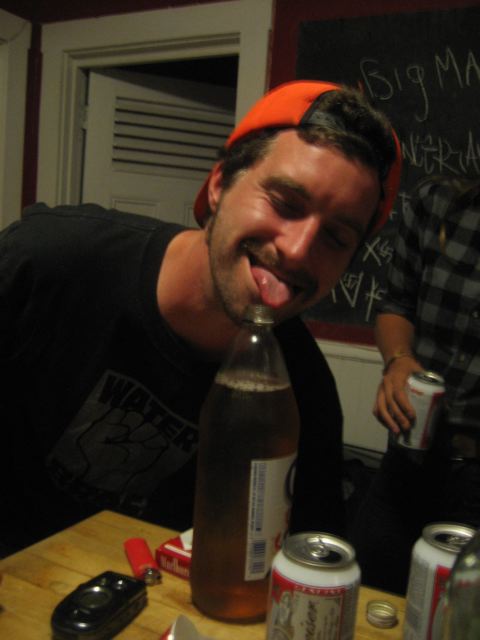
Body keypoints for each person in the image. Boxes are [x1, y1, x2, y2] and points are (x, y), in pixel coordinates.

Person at [0, 80, 401, 555]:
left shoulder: (302, 393)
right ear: (218, 186)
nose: (297, 251)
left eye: (336, 238)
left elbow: (302, 564)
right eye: (285, 204)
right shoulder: (47, 263)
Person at [352, 176, 480, 595]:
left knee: (458, 616)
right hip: (411, 458)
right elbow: (397, 304)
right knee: (367, 591)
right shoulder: (438, 203)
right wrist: (398, 360)